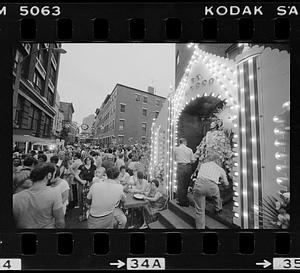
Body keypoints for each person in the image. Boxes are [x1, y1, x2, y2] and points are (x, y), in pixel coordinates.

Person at [13, 163, 65, 228]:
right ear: (49, 175)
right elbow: (60, 222)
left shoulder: (15, 197)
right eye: (54, 174)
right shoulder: (54, 193)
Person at [193, 154, 229, 229]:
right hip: (211, 187)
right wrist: (222, 181)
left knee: (199, 210)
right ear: (217, 161)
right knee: (217, 196)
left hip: (198, 185)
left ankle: (200, 228)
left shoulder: (203, 165)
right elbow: (226, 183)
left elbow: (200, 174)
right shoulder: (220, 169)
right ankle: (218, 208)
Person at [173, 138, 195, 207]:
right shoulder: (189, 150)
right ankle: (184, 199)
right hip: (188, 167)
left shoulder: (175, 149)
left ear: (180, 143)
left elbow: (175, 159)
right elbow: (193, 160)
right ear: (185, 142)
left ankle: (181, 200)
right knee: (186, 184)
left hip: (180, 167)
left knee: (180, 184)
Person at [76, 156, 96, 221]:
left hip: (91, 184)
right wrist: (81, 181)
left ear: (91, 161)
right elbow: (76, 175)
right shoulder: (81, 166)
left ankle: (90, 213)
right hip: (83, 185)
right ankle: (82, 214)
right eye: (87, 160)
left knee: (90, 199)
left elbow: (95, 175)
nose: (88, 161)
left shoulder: (93, 167)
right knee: (82, 199)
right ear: (85, 161)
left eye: (89, 160)